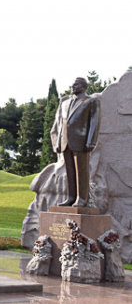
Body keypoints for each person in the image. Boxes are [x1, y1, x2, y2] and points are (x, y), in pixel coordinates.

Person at [50, 77, 101, 207]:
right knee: (70, 171)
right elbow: (62, 124)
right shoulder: (65, 103)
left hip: (81, 141)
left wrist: (91, 141)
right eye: (72, 85)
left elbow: (94, 123)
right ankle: (70, 197)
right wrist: (58, 141)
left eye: (76, 85)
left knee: (81, 171)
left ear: (84, 87)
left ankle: (82, 199)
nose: (73, 87)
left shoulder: (91, 101)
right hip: (65, 142)